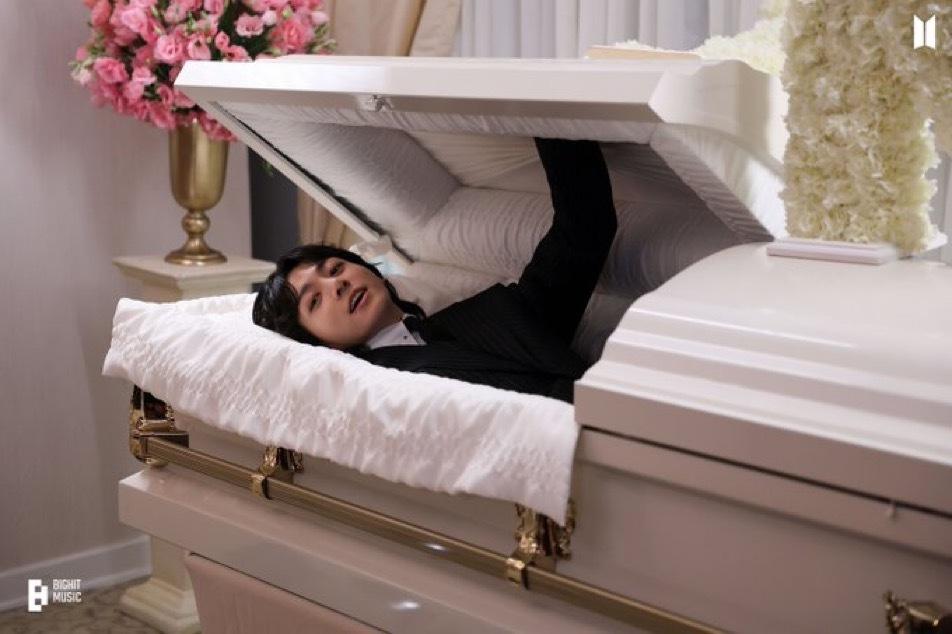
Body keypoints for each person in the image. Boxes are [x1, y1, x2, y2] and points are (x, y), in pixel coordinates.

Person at [253, 138, 617, 403]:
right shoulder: (375, 391)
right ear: (319, 344)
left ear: (371, 270)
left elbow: (584, 231)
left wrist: (546, 106)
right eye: (315, 301)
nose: (337, 285)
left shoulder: (483, 315)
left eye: (335, 268)